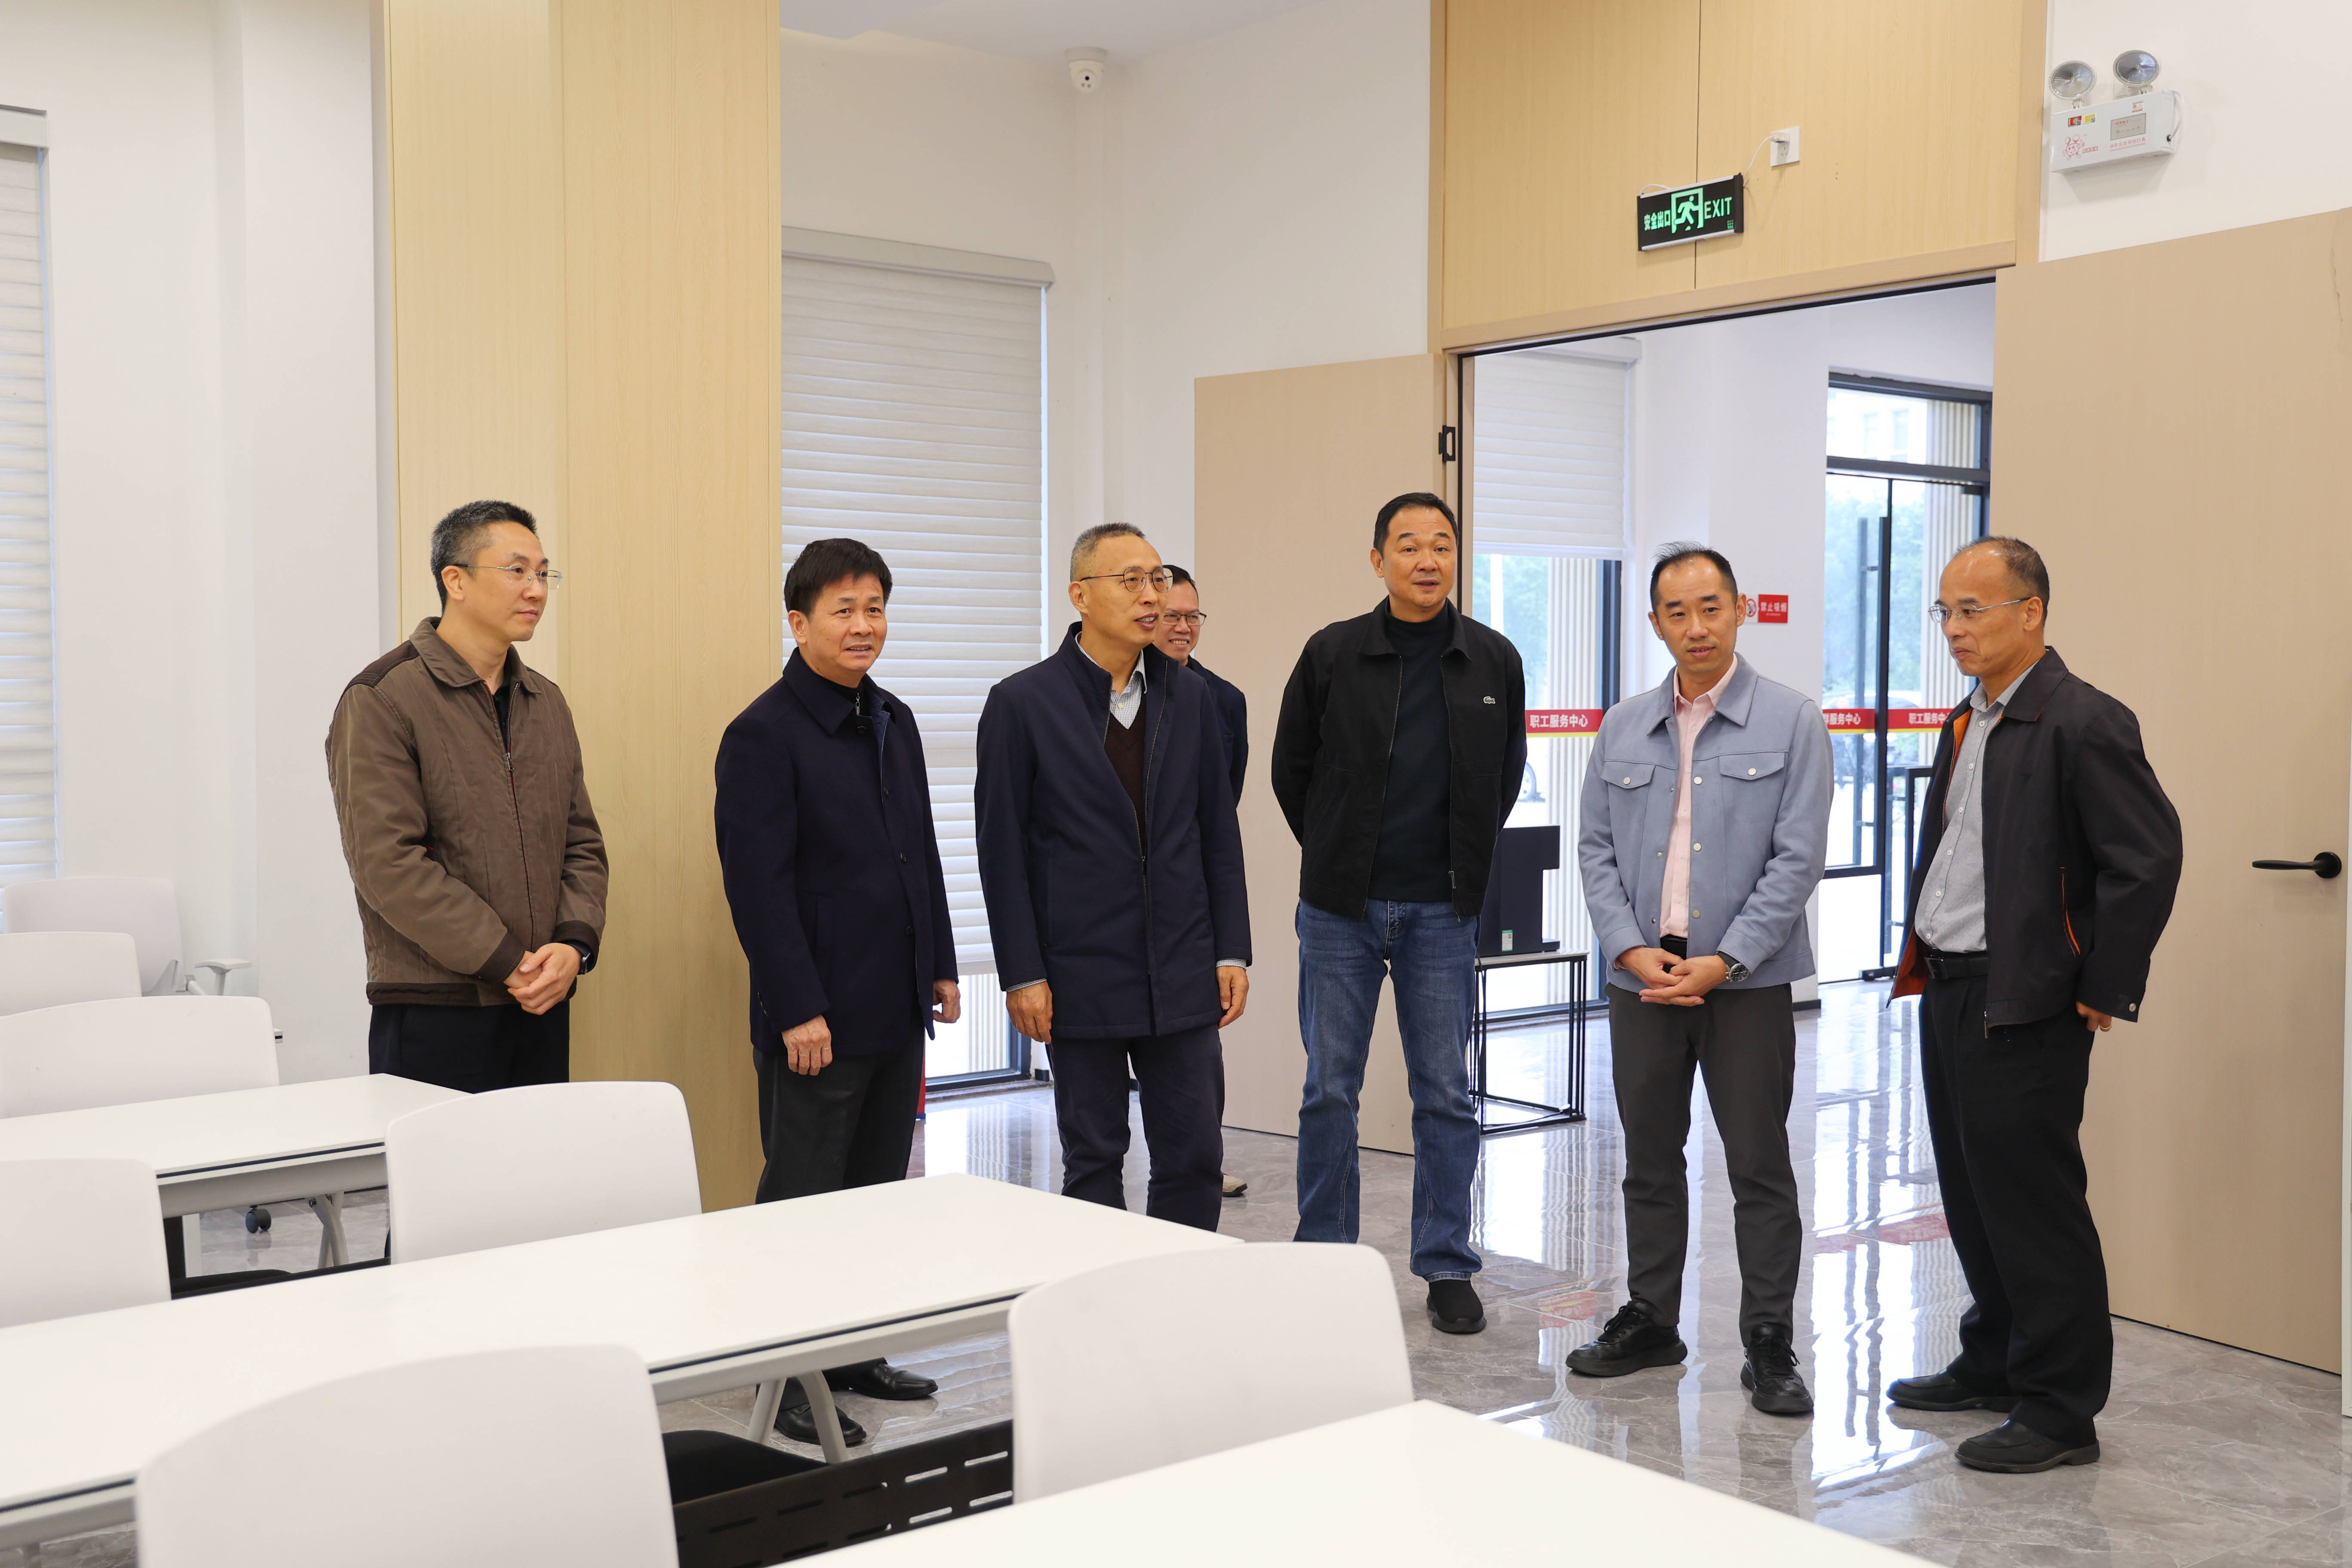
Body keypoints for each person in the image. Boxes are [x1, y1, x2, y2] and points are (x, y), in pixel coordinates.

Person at [1886, 537, 2180, 1473]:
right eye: (1945, 612)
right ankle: (1995, 1361)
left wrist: (2102, 987)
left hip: (2029, 998)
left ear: (2032, 612)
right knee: (1972, 1192)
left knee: (2033, 1202)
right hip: (1952, 983)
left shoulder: (2084, 720)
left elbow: (2147, 861)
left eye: (1972, 610)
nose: (1954, 629)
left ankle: (2059, 1409)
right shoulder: (1968, 719)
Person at [1568, 544, 1831, 1415]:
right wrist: (1625, 947)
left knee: (1758, 1165)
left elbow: (1797, 861)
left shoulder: (1792, 720)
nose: (1697, 627)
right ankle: (1652, 1317)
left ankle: (1769, 1340)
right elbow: (1595, 850)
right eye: (1677, 613)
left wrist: (1729, 959)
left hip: (1745, 984)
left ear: (1740, 609)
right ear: (1655, 624)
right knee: (1648, 1158)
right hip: (1644, 979)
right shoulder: (1621, 726)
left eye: (1711, 607)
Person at [714, 536, 961, 1448]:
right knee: (803, 1201)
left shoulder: (892, 717)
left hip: (893, 1001)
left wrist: (940, 963)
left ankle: (853, 1353)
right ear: (799, 621)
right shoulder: (764, 734)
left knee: (873, 1195)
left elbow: (919, 851)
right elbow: (758, 888)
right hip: (817, 1013)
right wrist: (797, 1008)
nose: (864, 626)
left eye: (875, 609)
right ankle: (780, 1376)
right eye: (843, 610)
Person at [1270, 492, 1525, 1335]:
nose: (1427, 559)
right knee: (1328, 1091)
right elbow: (1291, 770)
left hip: (1443, 912)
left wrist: (1459, 865)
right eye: (1409, 545)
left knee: (1446, 1093)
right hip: (1338, 910)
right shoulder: (1333, 653)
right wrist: (1338, 852)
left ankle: (1446, 1263)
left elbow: (1504, 779)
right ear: (1378, 559)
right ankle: (1325, 1257)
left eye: (1442, 544)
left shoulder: (1492, 659)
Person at [975, 522, 1250, 1231]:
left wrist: (1231, 950)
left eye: (1158, 579)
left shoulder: (1193, 698)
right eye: (1131, 581)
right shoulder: (1023, 703)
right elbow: (1001, 852)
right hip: (1079, 971)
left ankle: (1179, 1289)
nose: (1151, 596)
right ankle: (1104, 1293)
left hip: (1182, 964)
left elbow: (1218, 833)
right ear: (1080, 596)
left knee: (1195, 1156)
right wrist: (1022, 973)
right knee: (1094, 1160)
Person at [327, 499, 606, 1093]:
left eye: (543, 573)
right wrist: (508, 961)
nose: (536, 589)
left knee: (538, 1156)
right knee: (441, 1159)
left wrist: (572, 946)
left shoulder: (546, 702)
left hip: (539, 1002)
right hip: (436, 1008)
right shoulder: (382, 698)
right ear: (455, 581)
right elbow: (388, 863)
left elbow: (581, 842)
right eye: (517, 571)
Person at [1155, 564, 1251, 1200]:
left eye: (1194, 616)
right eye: (1172, 616)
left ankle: (1204, 1164)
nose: (1184, 627)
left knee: (1197, 1061)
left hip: (1192, 903)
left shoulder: (1222, 699)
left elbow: (1224, 807)